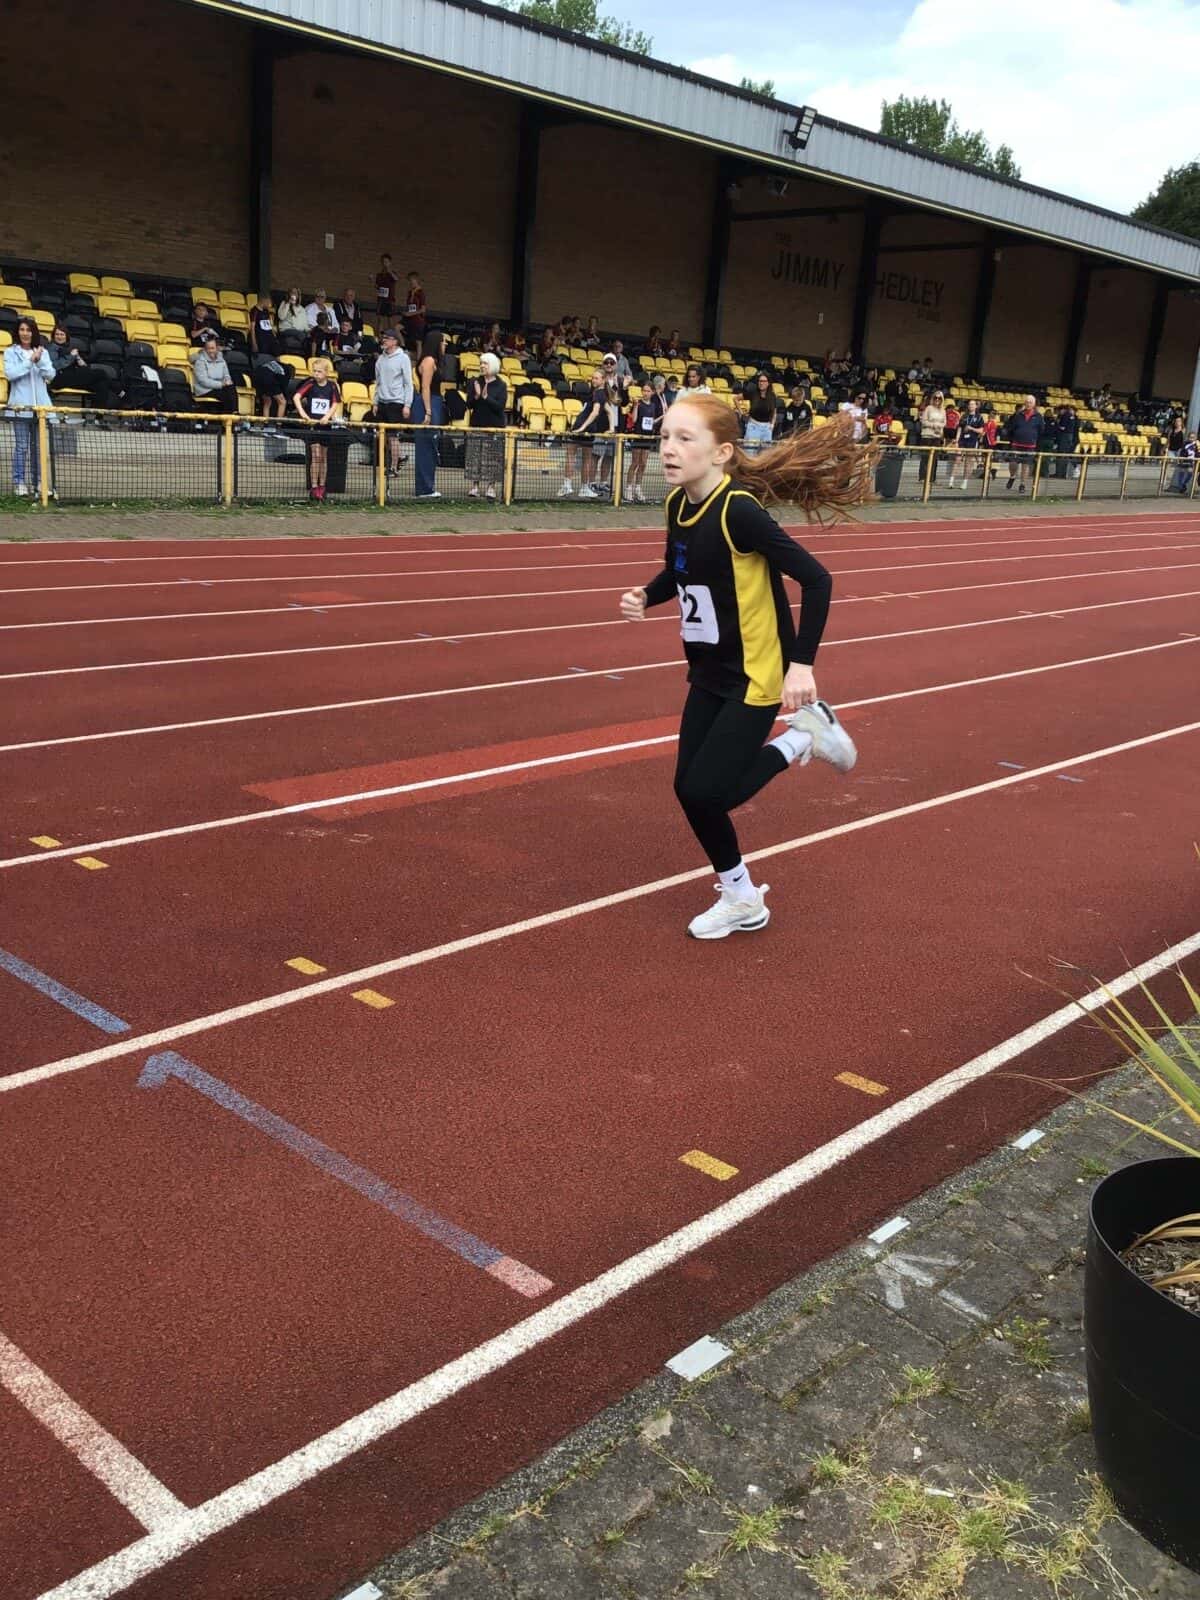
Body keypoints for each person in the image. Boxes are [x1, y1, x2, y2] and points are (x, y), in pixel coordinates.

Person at [618, 395, 871, 939]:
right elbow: (679, 571)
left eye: (684, 439)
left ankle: (799, 739)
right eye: (664, 437)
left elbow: (818, 580)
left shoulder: (739, 512)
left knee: (708, 793)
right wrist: (648, 595)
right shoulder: (678, 505)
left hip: (756, 673)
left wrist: (800, 666)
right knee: (691, 790)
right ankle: (741, 899)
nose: (668, 449)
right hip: (709, 668)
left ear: (722, 452)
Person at [4, 317, 55, 496]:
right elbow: (11, 374)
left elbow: (51, 374)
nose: (25, 333)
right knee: (22, 446)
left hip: (40, 408)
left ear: (34, 332)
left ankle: (40, 482)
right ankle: (19, 483)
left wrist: (39, 360)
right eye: (22, 329)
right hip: (20, 407)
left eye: (28, 330)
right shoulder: (11, 352)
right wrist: (30, 361)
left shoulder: (43, 352)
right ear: (17, 332)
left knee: (39, 447)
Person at [292, 356, 342, 502]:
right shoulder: (310, 384)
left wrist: (327, 417)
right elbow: (296, 397)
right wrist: (303, 414)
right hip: (313, 424)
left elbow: (335, 403)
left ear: (326, 372)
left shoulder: (332, 386)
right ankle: (314, 487)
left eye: (319, 371)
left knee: (323, 457)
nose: (316, 374)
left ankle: (322, 486)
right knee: (316, 456)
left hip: (325, 425)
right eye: (314, 371)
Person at [560, 368, 613, 497]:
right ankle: (583, 488)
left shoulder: (598, 394)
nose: (593, 380)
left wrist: (582, 427)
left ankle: (567, 486)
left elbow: (595, 412)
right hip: (590, 428)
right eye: (593, 378)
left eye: (596, 378)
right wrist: (611, 428)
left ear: (603, 380)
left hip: (582, 426)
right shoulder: (600, 394)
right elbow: (610, 412)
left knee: (571, 456)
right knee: (586, 459)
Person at [465, 351, 507, 499]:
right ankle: (475, 486)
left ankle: (491, 487)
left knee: (493, 458)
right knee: (474, 457)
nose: (482, 366)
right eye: (481, 363)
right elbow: (469, 404)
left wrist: (486, 397)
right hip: (477, 424)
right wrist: (476, 396)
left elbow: (500, 407)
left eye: (485, 363)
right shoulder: (475, 382)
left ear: (493, 366)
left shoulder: (501, 385)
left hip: (494, 426)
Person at [412, 327, 447, 499]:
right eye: (443, 341)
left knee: (431, 445)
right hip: (428, 402)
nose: (445, 344)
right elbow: (425, 387)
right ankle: (424, 488)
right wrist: (428, 411)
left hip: (434, 401)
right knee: (426, 445)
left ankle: (427, 486)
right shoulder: (429, 361)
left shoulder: (433, 360)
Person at [373, 328, 413, 475]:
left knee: (393, 436)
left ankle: (393, 468)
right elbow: (378, 382)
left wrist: (407, 405)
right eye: (383, 338)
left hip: (396, 402)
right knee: (383, 435)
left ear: (395, 341)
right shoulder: (380, 359)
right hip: (382, 401)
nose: (384, 340)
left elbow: (408, 383)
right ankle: (397, 458)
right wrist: (375, 402)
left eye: (387, 338)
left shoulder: (403, 358)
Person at [47, 324, 113, 411]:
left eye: (62, 334)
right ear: (53, 336)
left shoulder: (68, 348)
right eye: (57, 334)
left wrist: (77, 357)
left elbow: (84, 366)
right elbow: (55, 366)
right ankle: (119, 390)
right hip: (59, 378)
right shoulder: (52, 348)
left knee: (101, 384)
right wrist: (71, 356)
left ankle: (98, 415)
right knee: (101, 373)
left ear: (66, 336)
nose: (59, 337)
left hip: (71, 377)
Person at [624, 378, 665, 502]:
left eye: (648, 391)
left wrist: (662, 417)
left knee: (643, 464)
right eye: (644, 391)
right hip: (638, 436)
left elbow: (651, 422)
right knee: (635, 463)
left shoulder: (653, 406)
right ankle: (628, 488)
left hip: (648, 437)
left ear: (652, 392)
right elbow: (634, 419)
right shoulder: (639, 404)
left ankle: (638, 487)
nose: (645, 393)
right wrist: (636, 407)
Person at [249, 297, 287, 421]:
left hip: (269, 339)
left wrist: (274, 336)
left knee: (268, 401)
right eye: (269, 302)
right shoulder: (254, 311)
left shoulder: (266, 312)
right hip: (261, 340)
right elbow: (252, 327)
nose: (270, 304)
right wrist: (254, 342)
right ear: (263, 300)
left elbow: (269, 326)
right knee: (270, 400)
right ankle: (273, 423)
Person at [191, 333, 240, 415]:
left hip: (219, 387)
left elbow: (226, 374)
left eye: (212, 348)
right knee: (226, 395)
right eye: (208, 348)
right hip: (204, 390)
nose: (210, 351)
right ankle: (230, 416)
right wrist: (221, 384)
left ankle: (234, 413)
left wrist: (227, 381)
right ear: (205, 349)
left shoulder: (221, 360)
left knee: (231, 387)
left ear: (217, 349)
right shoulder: (200, 361)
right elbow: (203, 381)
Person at [1005, 395, 1043, 492]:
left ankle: (1022, 484)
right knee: (1013, 463)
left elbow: (1041, 431)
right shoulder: (1018, 415)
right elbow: (1011, 428)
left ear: (1034, 404)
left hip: (1030, 445)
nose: (1028, 404)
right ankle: (1012, 476)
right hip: (1016, 444)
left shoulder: (1038, 417)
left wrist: (1036, 444)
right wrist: (1011, 440)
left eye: (1030, 402)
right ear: (1024, 403)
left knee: (1025, 466)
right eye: (1027, 402)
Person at [950, 399, 984, 488]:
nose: (971, 406)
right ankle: (951, 481)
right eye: (970, 404)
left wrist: (971, 428)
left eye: (973, 404)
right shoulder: (964, 416)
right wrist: (956, 439)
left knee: (968, 462)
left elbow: (981, 430)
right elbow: (959, 428)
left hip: (972, 440)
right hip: (962, 440)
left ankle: (964, 482)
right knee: (957, 459)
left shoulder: (979, 417)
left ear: (976, 406)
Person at [744, 372, 777, 453]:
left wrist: (772, 424)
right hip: (753, 426)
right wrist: (741, 412)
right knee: (750, 453)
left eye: (764, 381)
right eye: (760, 381)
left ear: (768, 383)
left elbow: (774, 412)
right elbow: (736, 399)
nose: (761, 383)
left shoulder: (772, 396)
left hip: (767, 428)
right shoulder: (753, 393)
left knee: (765, 454)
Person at [919, 390, 947, 482]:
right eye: (935, 398)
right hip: (927, 435)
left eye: (939, 398)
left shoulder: (943, 411)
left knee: (935, 458)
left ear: (942, 399)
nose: (937, 400)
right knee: (925, 457)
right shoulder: (928, 408)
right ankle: (923, 477)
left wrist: (939, 427)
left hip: (937, 436)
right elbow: (923, 421)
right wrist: (933, 425)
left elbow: (944, 423)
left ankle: (932, 478)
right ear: (933, 398)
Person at [402, 272, 427, 350]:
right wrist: (406, 312)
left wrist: (411, 314)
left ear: (416, 280)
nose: (410, 283)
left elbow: (423, 309)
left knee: (418, 341)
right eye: (409, 281)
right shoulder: (410, 292)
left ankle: (418, 357)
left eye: (411, 280)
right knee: (397, 328)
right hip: (409, 319)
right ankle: (403, 346)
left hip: (418, 320)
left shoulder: (421, 293)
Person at [375, 254, 398, 329]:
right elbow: (377, 287)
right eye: (383, 262)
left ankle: (390, 334)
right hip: (381, 299)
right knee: (380, 319)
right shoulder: (379, 275)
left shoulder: (392, 273)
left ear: (390, 263)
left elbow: (396, 279)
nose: (385, 263)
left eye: (386, 262)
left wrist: (389, 271)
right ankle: (380, 334)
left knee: (390, 319)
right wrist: (373, 281)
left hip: (389, 300)